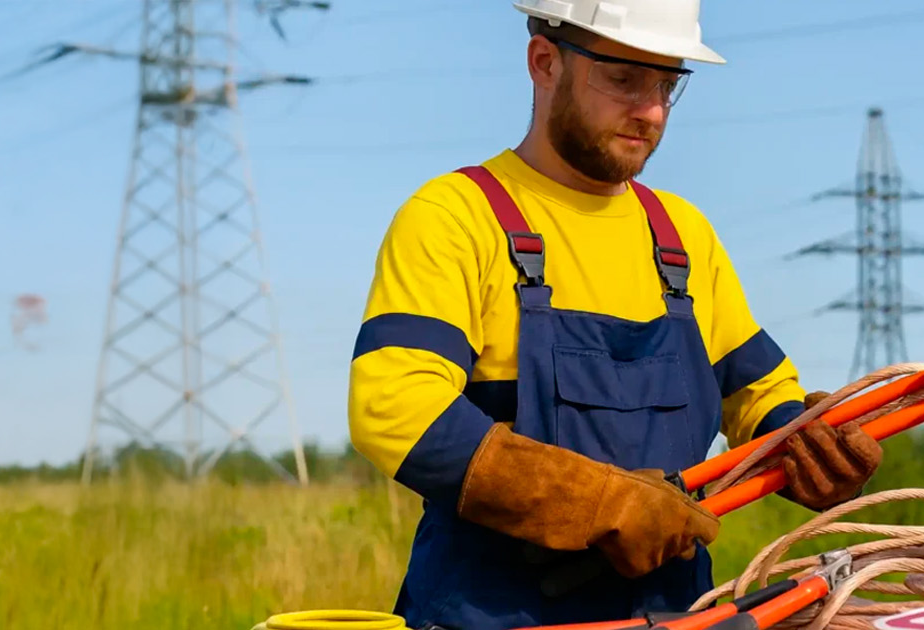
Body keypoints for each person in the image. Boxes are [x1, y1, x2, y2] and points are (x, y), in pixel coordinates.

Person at [346, 2, 884, 629]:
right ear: (544, 63)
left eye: (666, 84)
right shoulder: (455, 218)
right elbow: (395, 409)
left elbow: (757, 395)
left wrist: (806, 439)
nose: (651, 110)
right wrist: (597, 503)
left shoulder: (681, 237)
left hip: (678, 616)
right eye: (625, 79)